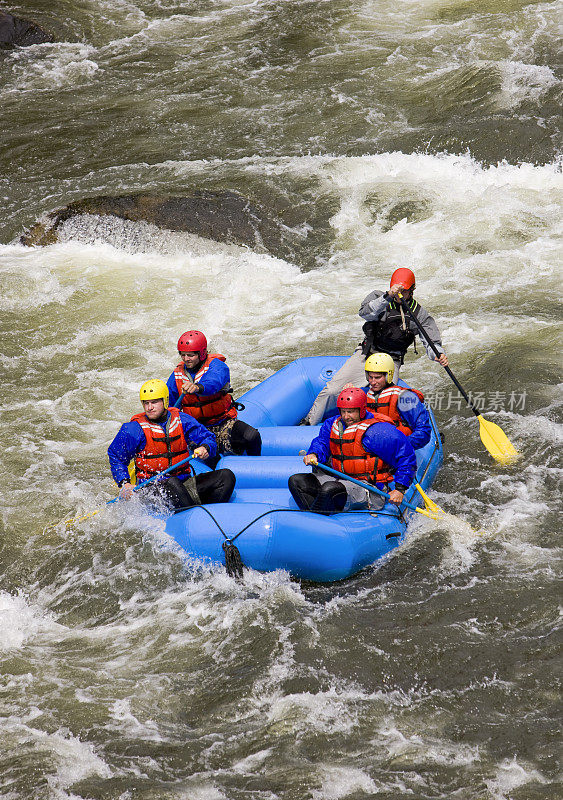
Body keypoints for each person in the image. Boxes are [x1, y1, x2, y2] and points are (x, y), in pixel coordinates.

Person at [305, 268, 449, 424]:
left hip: (391, 360)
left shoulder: (418, 313)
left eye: (404, 291)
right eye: (398, 290)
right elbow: (365, 314)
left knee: (386, 401)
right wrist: (387, 296)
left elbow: (431, 341)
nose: (400, 295)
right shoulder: (378, 297)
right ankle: (309, 423)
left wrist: (437, 354)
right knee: (331, 391)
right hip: (367, 353)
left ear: (412, 291)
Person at [108, 379, 235, 512]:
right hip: (152, 490)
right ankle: (189, 515)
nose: (149, 407)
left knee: (225, 476)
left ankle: (208, 515)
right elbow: (115, 456)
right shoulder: (133, 429)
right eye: (146, 403)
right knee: (172, 483)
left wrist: (206, 447)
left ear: (165, 401)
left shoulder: (182, 420)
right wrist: (124, 483)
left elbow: (208, 437)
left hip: (183, 482)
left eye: (154, 402)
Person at [288, 387, 417, 515]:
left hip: (368, 487)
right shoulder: (332, 424)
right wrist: (314, 453)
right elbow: (322, 442)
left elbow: (406, 455)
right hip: (337, 478)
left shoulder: (378, 431)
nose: (346, 416)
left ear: (361, 410)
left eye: (350, 412)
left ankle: (317, 518)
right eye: (343, 412)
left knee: (329, 490)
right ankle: (314, 516)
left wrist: (400, 489)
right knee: (296, 481)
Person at [166, 330, 261, 465]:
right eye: (183, 355)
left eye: (191, 355)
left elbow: (213, 383)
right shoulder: (176, 375)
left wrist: (198, 387)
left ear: (202, 353)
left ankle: (256, 467)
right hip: (197, 429)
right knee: (211, 460)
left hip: (222, 423)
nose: (186, 359)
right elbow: (171, 407)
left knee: (252, 436)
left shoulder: (217, 366)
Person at [360, 352, 431, 451]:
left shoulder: (405, 397)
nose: (372, 382)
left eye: (377, 378)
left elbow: (424, 431)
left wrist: (400, 445)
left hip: (398, 447)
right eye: (370, 377)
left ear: (388, 375)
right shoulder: (364, 394)